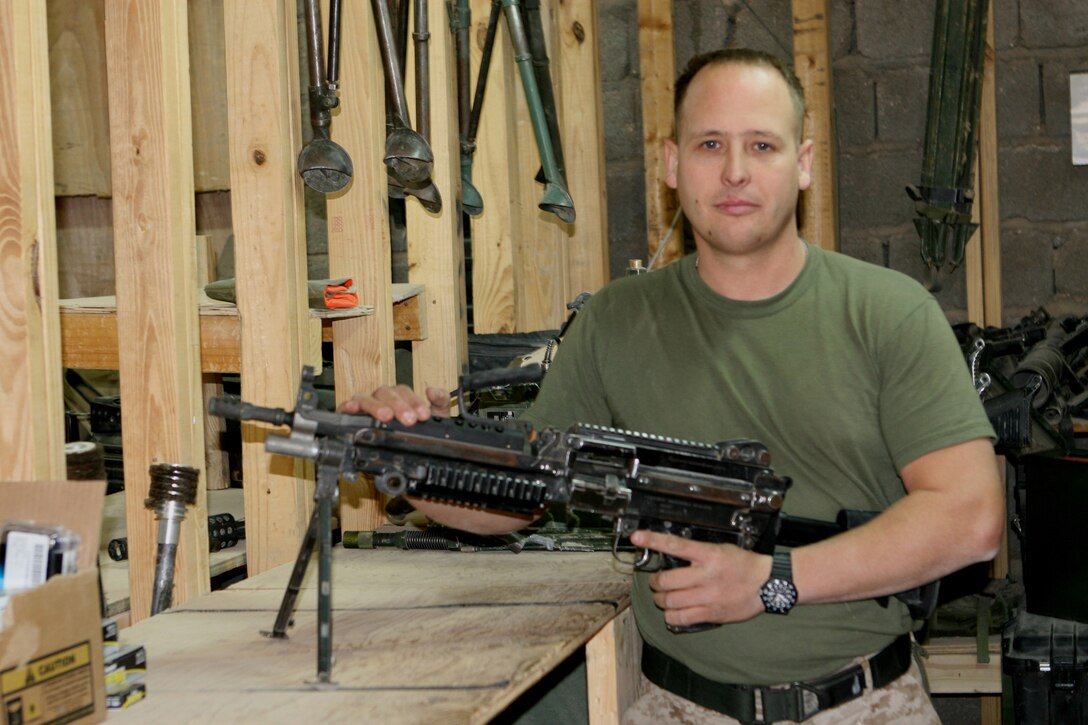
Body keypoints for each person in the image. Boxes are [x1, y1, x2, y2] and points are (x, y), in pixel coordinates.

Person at [344, 48, 1005, 724]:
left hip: (865, 702)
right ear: (670, 163)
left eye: (762, 145)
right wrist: (409, 455)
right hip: (678, 705)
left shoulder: (889, 312)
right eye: (710, 143)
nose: (735, 171)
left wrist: (773, 580)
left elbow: (971, 517)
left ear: (803, 164)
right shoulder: (616, 319)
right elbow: (518, 496)